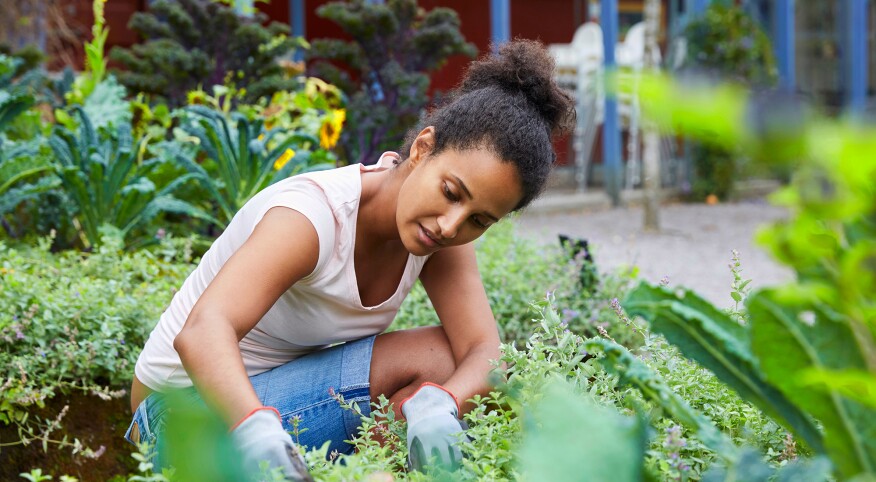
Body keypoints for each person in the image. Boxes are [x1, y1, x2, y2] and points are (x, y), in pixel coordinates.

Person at [124, 39, 574, 480]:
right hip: (179, 419)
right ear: (422, 149)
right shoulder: (312, 217)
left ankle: (367, 474)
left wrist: (444, 402)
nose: (451, 226)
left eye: (479, 220)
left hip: (277, 400)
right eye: (451, 193)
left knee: (452, 366)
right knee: (436, 356)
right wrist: (255, 430)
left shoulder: (440, 235)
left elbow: (484, 351)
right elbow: (202, 331)